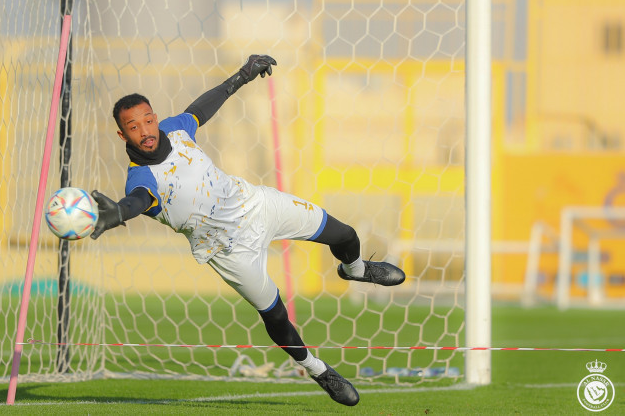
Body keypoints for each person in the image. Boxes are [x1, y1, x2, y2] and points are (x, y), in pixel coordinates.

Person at [89, 54, 406, 408]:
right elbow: (137, 200)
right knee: (276, 316)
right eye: (134, 126)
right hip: (228, 250)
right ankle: (318, 370)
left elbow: (202, 107)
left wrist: (242, 76)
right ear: (122, 134)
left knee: (344, 235)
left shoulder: (176, 129)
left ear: (156, 117)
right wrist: (118, 213)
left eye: (148, 120)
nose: (146, 131)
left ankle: (357, 270)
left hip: (256, 206)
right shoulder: (142, 178)